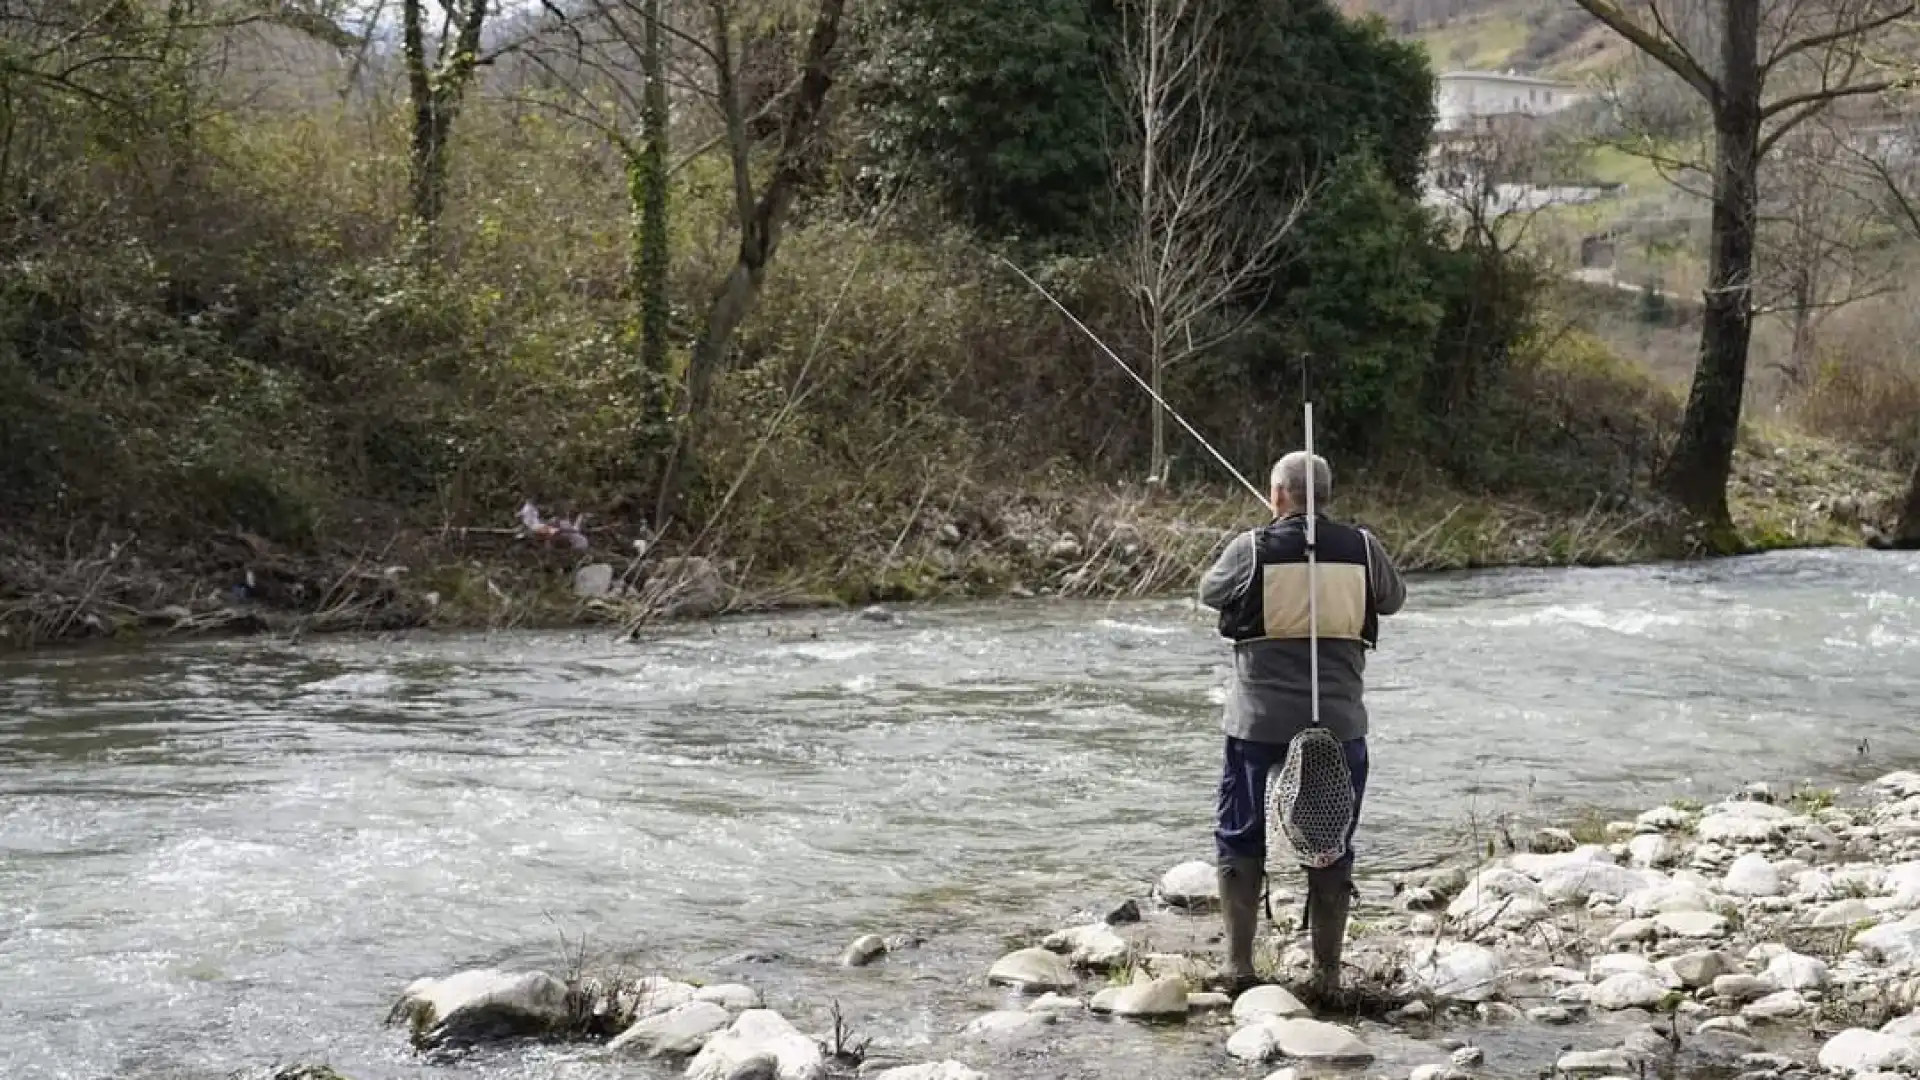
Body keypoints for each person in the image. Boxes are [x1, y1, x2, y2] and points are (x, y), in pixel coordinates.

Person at [1197, 450, 1406, 997]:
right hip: (1338, 721)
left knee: (1241, 833)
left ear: (1279, 495)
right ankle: (1327, 977)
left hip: (1257, 723)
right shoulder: (1364, 547)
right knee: (1329, 837)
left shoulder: (1250, 548)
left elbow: (1209, 593)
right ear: (1327, 496)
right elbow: (1394, 600)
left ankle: (1240, 971)